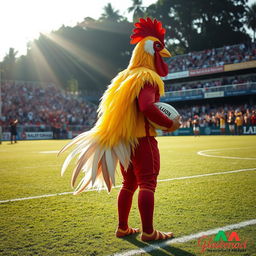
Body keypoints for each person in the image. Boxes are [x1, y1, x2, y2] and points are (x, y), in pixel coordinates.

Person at [60, 18, 181, 242]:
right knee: (147, 183)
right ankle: (148, 232)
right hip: (142, 140)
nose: (163, 51)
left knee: (129, 184)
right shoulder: (148, 77)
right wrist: (169, 123)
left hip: (124, 142)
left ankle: (123, 227)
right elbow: (146, 107)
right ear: (149, 50)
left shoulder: (123, 77)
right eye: (158, 46)